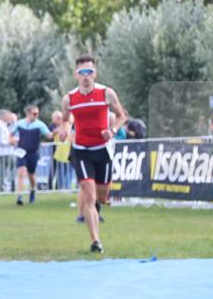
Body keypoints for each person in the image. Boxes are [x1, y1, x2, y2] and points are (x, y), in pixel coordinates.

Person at [61, 54, 128, 253]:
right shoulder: (69, 98)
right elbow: (65, 119)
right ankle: (95, 241)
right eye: (82, 72)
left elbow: (122, 116)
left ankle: (96, 208)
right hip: (81, 150)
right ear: (76, 75)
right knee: (89, 195)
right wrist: (64, 129)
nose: (86, 76)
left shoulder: (106, 93)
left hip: (102, 150)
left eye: (89, 72)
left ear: (95, 73)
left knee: (102, 196)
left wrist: (113, 131)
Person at [11, 104, 53, 205]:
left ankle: (33, 190)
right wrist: (11, 140)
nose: (36, 115)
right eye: (34, 113)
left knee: (31, 174)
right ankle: (19, 196)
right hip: (21, 152)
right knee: (21, 171)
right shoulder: (19, 123)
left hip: (33, 153)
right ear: (28, 113)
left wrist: (56, 132)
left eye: (37, 114)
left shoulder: (40, 124)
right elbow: (10, 134)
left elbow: (49, 135)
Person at [0, 109, 15, 192]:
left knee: (3, 171)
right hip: (4, 151)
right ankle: (5, 185)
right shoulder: (0, 126)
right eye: (8, 115)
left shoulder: (0, 125)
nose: (9, 117)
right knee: (14, 166)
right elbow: (1, 141)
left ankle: (3, 187)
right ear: (3, 116)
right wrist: (11, 141)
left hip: (1, 152)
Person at [49, 110, 73, 191]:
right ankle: (62, 189)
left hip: (68, 154)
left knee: (67, 173)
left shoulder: (69, 128)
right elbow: (59, 138)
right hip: (61, 154)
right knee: (61, 173)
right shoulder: (58, 129)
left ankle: (65, 189)